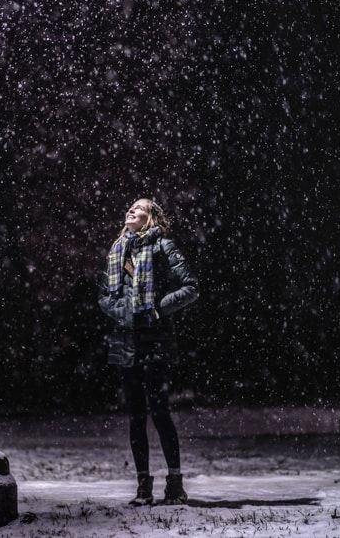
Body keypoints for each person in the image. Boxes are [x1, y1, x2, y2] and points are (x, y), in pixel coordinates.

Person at [98, 198, 199, 506]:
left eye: (139, 207)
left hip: (155, 342)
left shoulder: (163, 246)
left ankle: (175, 484)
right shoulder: (118, 250)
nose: (131, 209)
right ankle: (143, 487)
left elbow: (191, 287)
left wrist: (156, 309)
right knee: (135, 416)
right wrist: (123, 311)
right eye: (129, 206)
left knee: (160, 412)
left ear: (151, 216)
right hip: (126, 341)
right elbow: (104, 295)